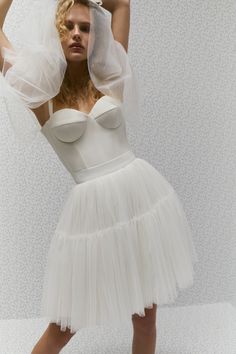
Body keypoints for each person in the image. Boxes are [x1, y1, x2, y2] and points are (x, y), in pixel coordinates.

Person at [0, 1, 198, 353]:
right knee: (64, 326)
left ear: (95, 35)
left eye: (85, 27)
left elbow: (120, 3)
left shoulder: (110, 76)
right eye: (68, 27)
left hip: (140, 204)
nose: (77, 33)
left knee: (146, 320)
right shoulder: (41, 98)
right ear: (55, 33)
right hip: (92, 218)